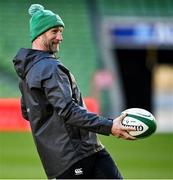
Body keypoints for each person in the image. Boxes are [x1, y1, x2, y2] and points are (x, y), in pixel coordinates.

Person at [13, 4, 136, 179]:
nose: (60, 37)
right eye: (54, 31)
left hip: (71, 156)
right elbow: (68, 111)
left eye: (60, 31)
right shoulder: (50, 68)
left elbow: (28, 113)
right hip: (77, 156)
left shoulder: (26, 73)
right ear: (40, 33)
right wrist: (110, 126)